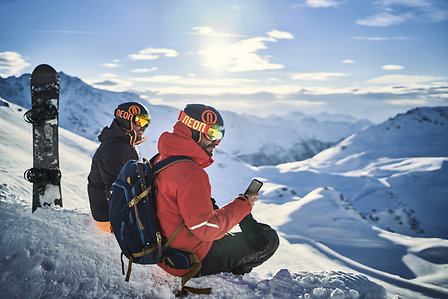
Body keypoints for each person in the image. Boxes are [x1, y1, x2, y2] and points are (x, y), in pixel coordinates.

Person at [154, 103, 279, 280]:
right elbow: (205, 230)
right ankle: (229, 276)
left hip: (169, 248)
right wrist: (244, 205)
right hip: (188, 258)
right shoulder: (190, 172)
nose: (217, 141)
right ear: (194, 130)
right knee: (268, 239)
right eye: (213, 134)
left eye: (220, 134)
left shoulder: (163, 158)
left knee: (252, 233)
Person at [87, 101, 151, 233]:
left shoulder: (124, 145)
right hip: (109, 219)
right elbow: (114, 191)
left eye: (147, 122)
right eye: (140, 121)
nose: (144, 127)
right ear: (126, 119)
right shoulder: (114, 147)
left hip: (114, 214)